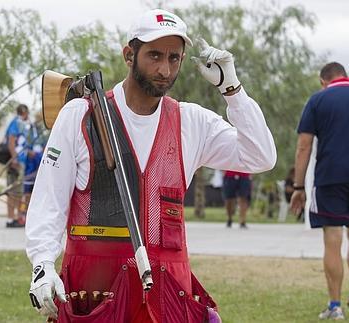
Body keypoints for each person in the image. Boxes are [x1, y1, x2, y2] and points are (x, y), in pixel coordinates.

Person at [26, 8, 276, 322]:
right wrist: (42, 264)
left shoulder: (191, 121)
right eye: (154, 56)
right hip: (93, 292)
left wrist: (232, 89)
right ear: (129, 55)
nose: (164, 69)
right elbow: (49, 201)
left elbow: (261, 156)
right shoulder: (80, 115)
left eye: (174, 58)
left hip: (167, 294)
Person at [290, 62, 349, 320]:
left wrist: (298, 186)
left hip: (330, 178)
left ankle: (336, 305)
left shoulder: (318, 100)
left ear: (323, 80)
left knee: (333, 241)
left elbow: (304, 146)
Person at [4, 104, 30, 228]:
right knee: (13, 191)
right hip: (15, 163)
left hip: (21, 162)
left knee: (18, 192)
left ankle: (17, 217)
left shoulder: (21, 124)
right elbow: (11, 142)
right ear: (24, 112)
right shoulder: (16, 123)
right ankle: (11, 218)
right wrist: (14, 159)